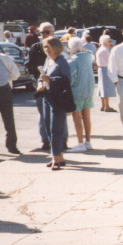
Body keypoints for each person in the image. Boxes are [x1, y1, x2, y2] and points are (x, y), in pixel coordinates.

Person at [38, 37, 72, 170]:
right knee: (48, 127)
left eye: (49, 47)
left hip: (59, 99)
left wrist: (50, 80)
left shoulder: (62, 61)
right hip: (47, 97)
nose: (47, 49)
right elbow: (42, 76)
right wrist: (40, 83)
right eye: (45, 47)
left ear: (56, 47)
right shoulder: (48, 60)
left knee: (56, 129)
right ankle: (59, 157)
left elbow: (67, 79)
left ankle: (55, 158)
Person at [0, 36, 21, 161]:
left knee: (8, 119)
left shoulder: (4, 58)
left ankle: (12, 146)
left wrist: (5, 80)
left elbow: (15, 74)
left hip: (4, 90)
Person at [26, 22, 57, 150]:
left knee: (59, 113)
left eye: (46, 32)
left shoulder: (58, 46)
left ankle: (62, 140)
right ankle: (45, 140)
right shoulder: (35, 47)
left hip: (56, 84)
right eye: (41, 32)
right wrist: (40, 73)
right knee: (43, 113)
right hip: (41, 85)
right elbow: (29, 65)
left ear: (53, 33)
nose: (43, 34)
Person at [66, 37, 96, 153]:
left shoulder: (72, 61)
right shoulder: (88, 57)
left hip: (77, 92)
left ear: (70, 48)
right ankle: (88, 142)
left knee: (77, 119)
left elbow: (72, 79)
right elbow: (88, 52)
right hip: (89, 91)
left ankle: (80, 143)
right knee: (87, 117)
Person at [96, 34, 117, 112]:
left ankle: (103, 105)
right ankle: (107, 106)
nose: (110, 43)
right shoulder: (105, 50)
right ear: (105, 42)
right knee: (105, 87)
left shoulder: (101, 49)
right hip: (105, 69)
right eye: (109, 41)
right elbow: (110, 61)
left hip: (101, 69)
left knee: (102, 87)